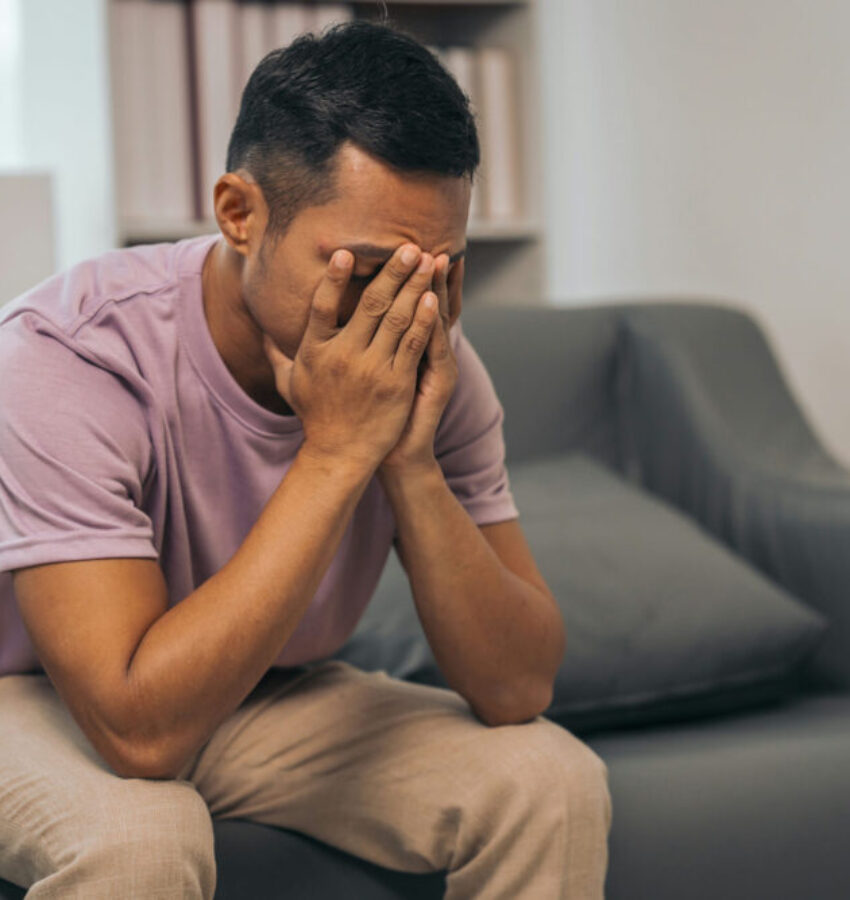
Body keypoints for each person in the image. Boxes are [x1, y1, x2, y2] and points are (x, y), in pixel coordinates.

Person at [0, 19, 612, 899]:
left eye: (438, 272)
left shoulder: (437, 364)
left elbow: (517, 685)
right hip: (39, 697)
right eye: (366, 269)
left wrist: (409, 464)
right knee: (140, 833)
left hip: (275, 695)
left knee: (549, 782)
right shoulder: (70, 355)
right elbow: (136, 731)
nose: (404, 311)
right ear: (240, 214)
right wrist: (334, 455)